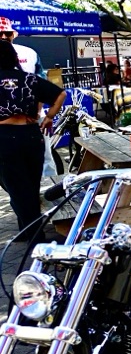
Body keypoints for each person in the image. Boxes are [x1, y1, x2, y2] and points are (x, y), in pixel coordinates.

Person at [0, 41, 66, 241]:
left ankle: (35, 236)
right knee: (30, 185)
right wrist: (48, 117)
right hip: (30, 134)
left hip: (5, 136)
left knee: (16, 188)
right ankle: (26, 230)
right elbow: (60, 94)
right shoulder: (29, 79)